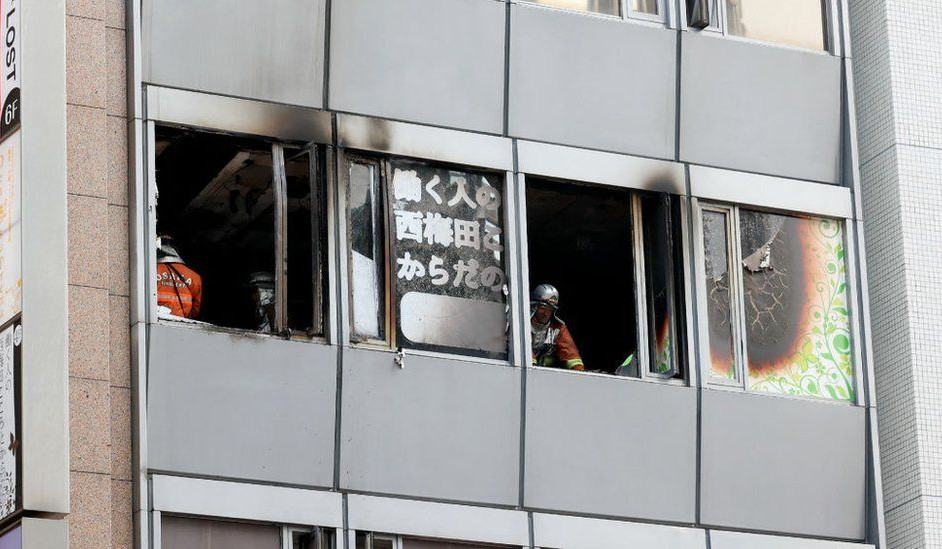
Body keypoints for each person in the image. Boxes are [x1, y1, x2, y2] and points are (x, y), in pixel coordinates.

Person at [530, 284, 585, 371]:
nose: (546, 313)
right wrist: (531, 364)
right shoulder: (521, 323)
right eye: (543, 308)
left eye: (550, 309)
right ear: (534, 306)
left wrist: (579, 370)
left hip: (546, 373)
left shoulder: (558, 327)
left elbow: (570, 353)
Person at [156, 235, 202, 319]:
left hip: (155, 320)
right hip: (181, 323)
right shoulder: (194, 276)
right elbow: (195, 310)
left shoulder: (150, 271)